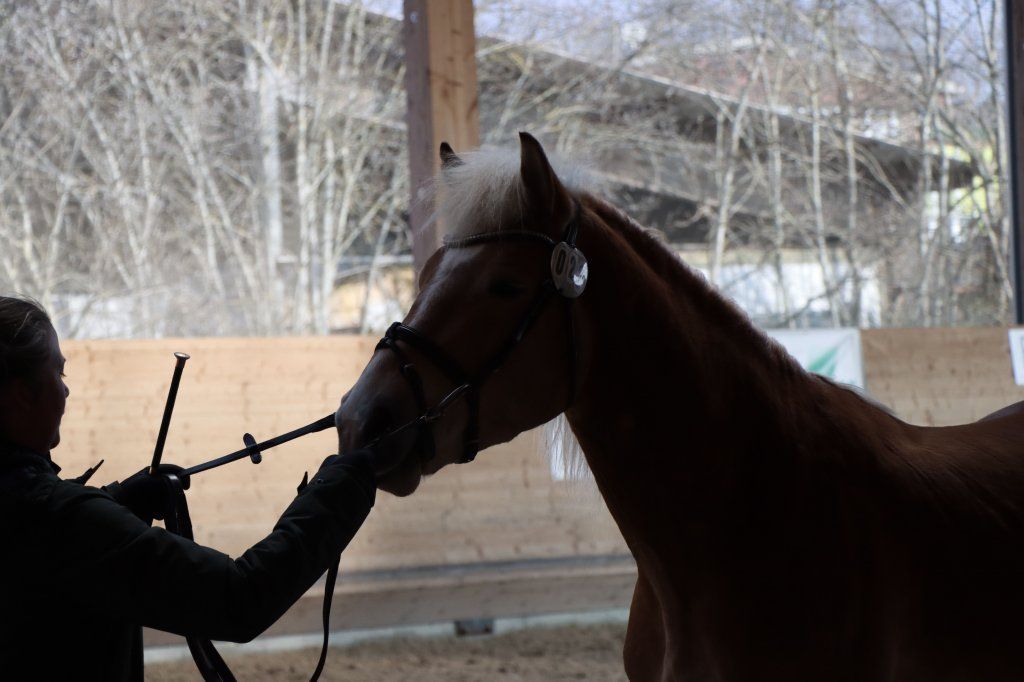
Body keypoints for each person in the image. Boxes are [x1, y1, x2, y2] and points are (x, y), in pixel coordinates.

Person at [0, 296, 379, 680]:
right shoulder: (57, 518)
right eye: (58, 374)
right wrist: (347, 479)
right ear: (21, 394)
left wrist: (117, 504)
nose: (66, 392)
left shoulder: (40, 513)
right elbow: (239, 597)